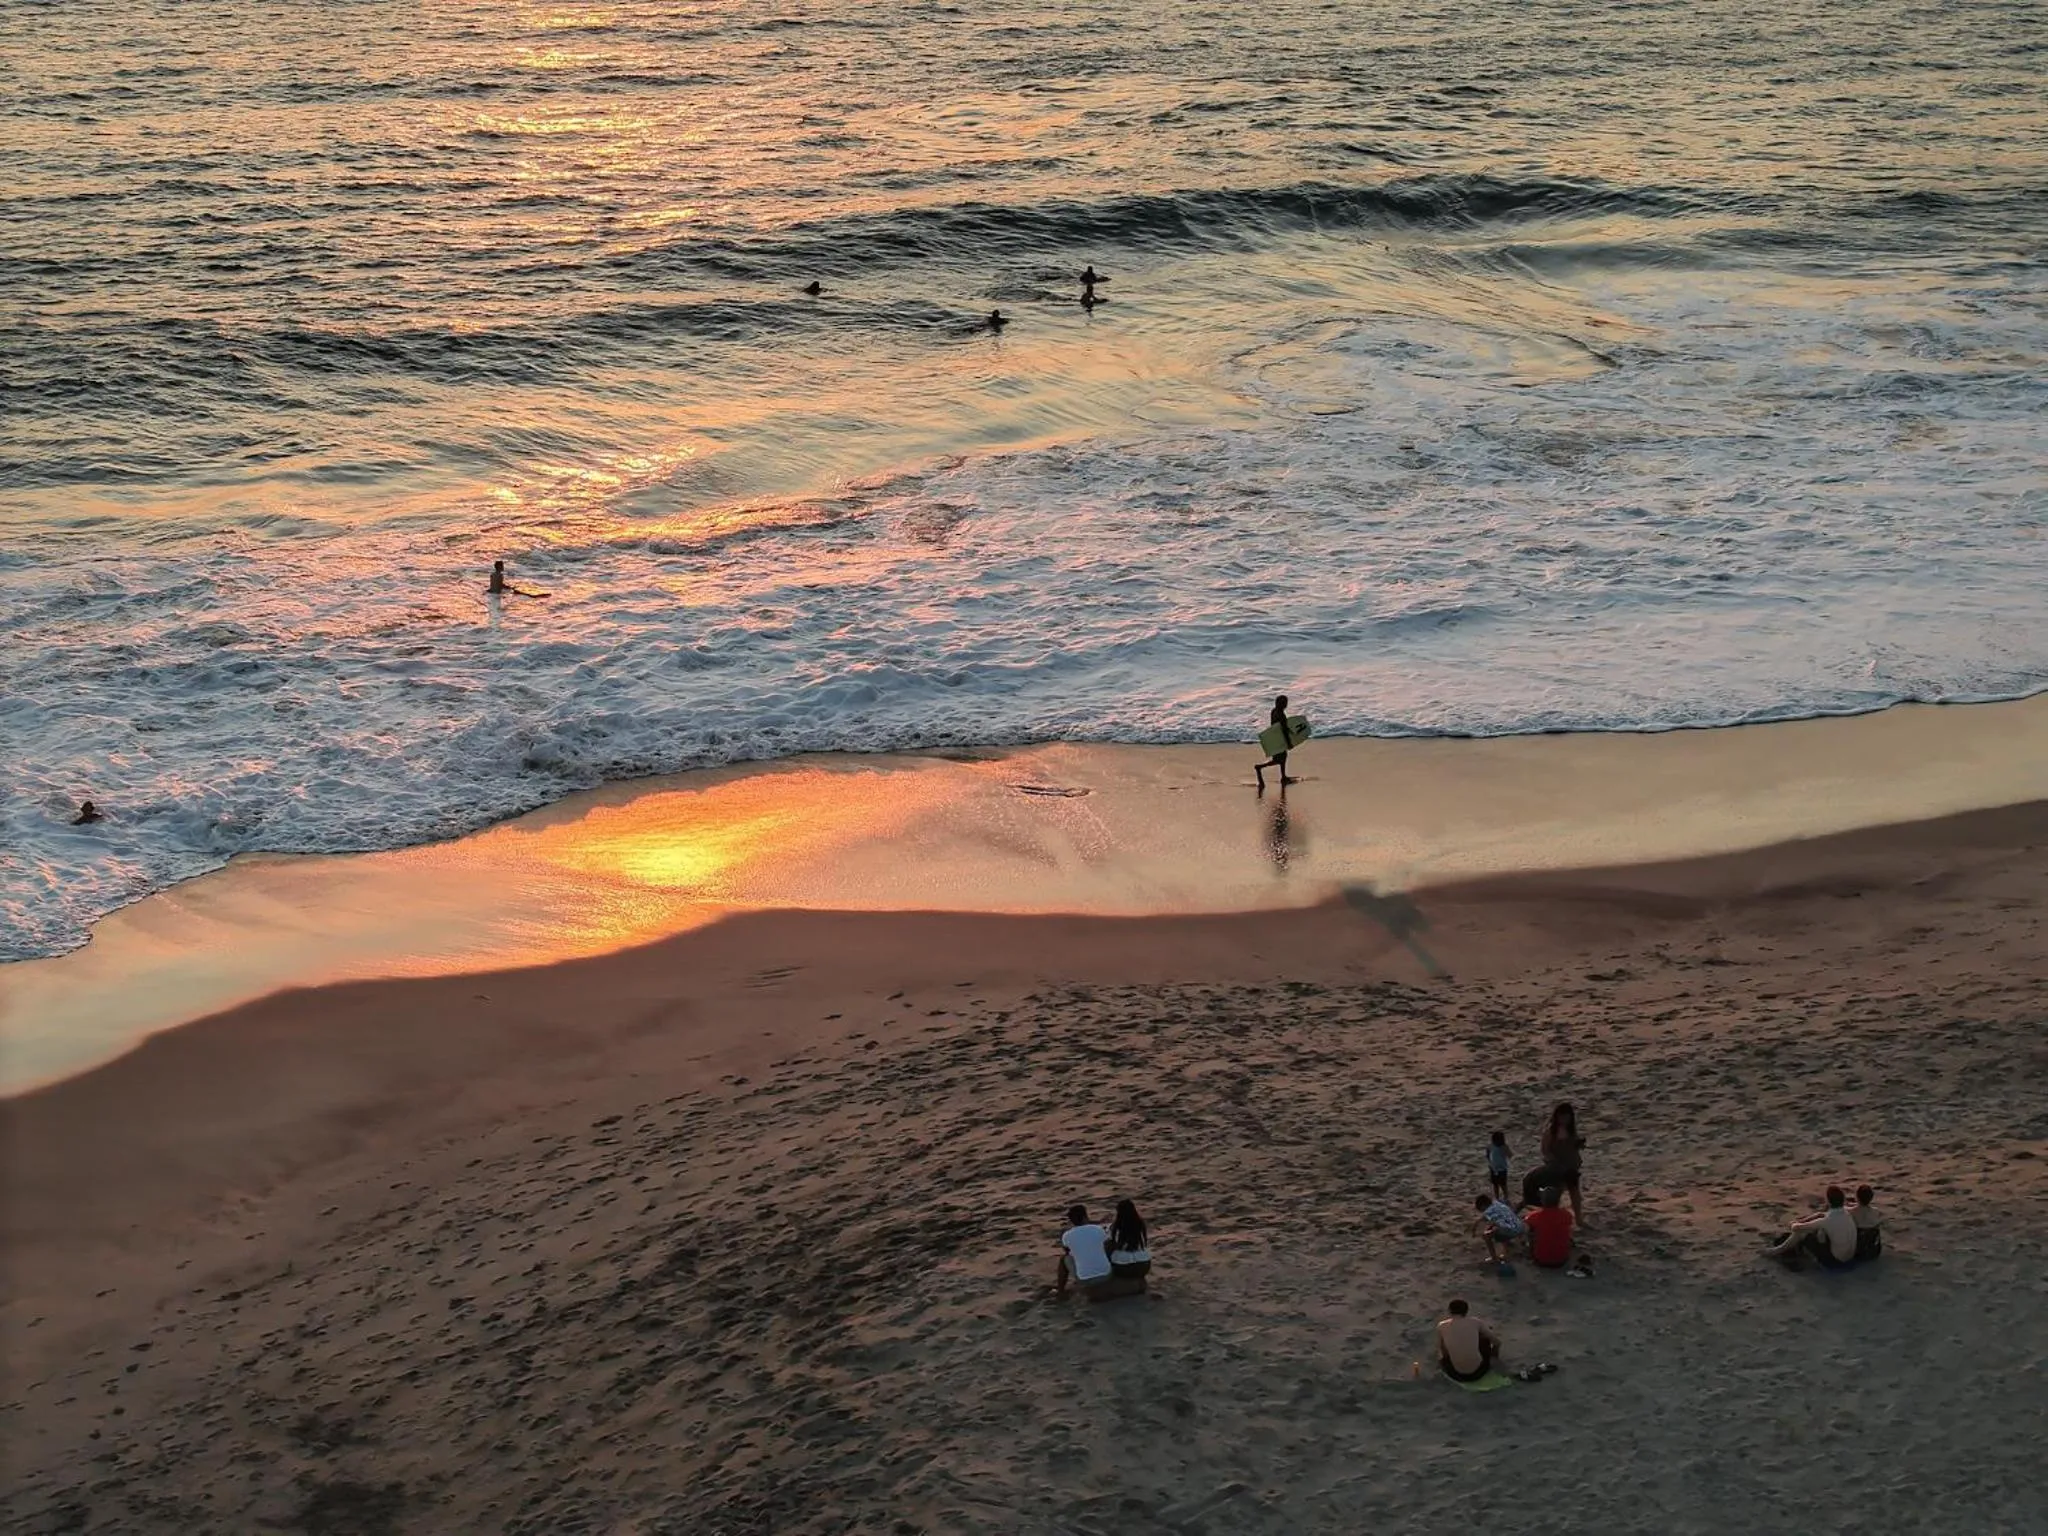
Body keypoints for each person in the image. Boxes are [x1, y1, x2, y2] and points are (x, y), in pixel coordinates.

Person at [1766, 1185, 1859, 1269]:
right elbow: (1823, 1215)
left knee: (1802, 1232)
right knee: (1819, 1230)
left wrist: (1793, 1224)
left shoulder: (1826, 1221)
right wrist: (1805, 1220)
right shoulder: (1847, 1213)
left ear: (1828, 1201)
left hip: (1834, 1261)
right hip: (1849, 1257)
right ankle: (1788, 1248)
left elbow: (1797, 1228)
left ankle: (1776, 1251)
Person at [1540, 1102, 1586, 1222]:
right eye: (1562, 1117)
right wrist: (1554, 1162)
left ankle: (1579, 1219)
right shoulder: (1551, 1131)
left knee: (1575, 1192)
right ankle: (1553, 1219)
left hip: (1571, 1165)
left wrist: (1579, 1144)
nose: (1564, 1120)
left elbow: (1573, 1144)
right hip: (1557, 1167)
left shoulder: (1570, 1130)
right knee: (1556, 1194)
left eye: (1567, 1117)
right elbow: (1545, 1149)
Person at [1435, 1298, 1500, 1383]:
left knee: (1444, 1344)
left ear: (1449, 1311)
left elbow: (1442, 1351)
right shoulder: (1476, 1322)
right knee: (1485, 1339)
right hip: (1479, 1372)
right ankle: (1492, 1359)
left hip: (1455, 1374)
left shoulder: (1441, 1326)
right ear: (1466, 1311)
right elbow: (1497, 1342)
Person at [1054, 1204, 1112, 1297]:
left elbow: (1067, 1251)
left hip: (1085, 1280)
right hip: (1107, 1275)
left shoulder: (1067, 1235)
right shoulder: (1098, 1229)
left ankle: (1060, 1291)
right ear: (1085, 1217)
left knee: (1064, 1259)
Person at [1253, 694, 1299, 790]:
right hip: (1280, 739)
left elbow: (1275, 726)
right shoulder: (1281, 714)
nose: (1286, 704)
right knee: (1278, 760)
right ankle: (1259, 767)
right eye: (1285, 703)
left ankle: (1283, 777)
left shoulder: (1274, 711)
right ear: (1282, 704)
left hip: (1276, 738)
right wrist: (1289, 742)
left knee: (1282, 758)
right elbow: (1284, 730)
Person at [1525, 1186, 1574, 1269]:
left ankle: (1531, 1253)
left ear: (1542, 1201)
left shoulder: (1534, 1216)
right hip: (1562, 1260)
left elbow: (1529, 1224)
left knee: (1530, 1233)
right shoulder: (1567, 1215)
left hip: (1541, 1260)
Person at [1475, 1193, 1525, 1266]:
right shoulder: (1497, 1203)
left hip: (1511, 1231)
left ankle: (1494, 1258)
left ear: (1483, 1206)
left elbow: (1479, 1222)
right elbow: (1498, 1221)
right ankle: (1506, 1248)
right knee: (1500, 1227)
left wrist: (1474, 1229)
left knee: (1487, 1235)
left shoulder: (1488, 1211)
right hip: (1520, 1227)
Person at [1107, 1199, 1151, 1281]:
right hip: (1144, 1265)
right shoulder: (1140, 1224)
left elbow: (1112, 1243)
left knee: (1108, 1246)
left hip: (1123, 1267)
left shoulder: (1116, 1227)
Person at [1852, 1184, 1882, 1260]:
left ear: (1857, 1197)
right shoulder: (1876, 1211)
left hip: (1858, 1251)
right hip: (1874, 1250)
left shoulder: (1851, 1212)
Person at [1486, 1131, 1510, 1201]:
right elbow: (1487, 1154)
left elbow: (1509, 1155)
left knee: (1503, 1184)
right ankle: (1497, 1197)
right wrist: (1490, 1163)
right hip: (1493, 1168)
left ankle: (1506, 1196)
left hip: (1502, 1169)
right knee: (1495, 1184)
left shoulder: (1504, 1147)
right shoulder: (1490, 1146)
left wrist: (1504, 1150)